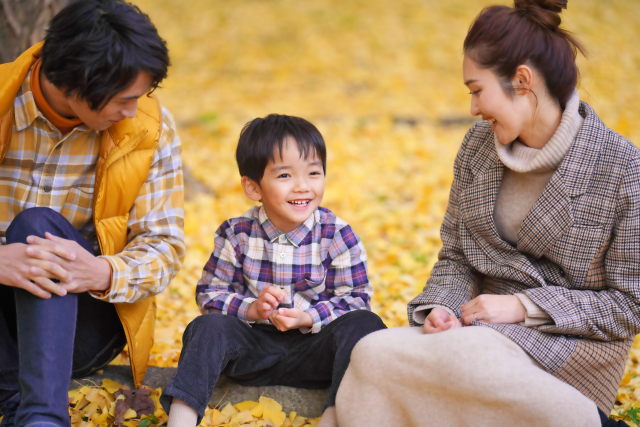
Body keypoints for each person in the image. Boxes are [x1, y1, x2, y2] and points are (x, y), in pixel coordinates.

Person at [336, 1, 638, 426]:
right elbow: (457, 256)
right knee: (370, 350)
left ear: (522, 80)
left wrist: (522, 306)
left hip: (568, 349)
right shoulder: (477, 147)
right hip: (470, 334)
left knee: (468, 358)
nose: (474, 108)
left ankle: (577, 417)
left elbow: (629, 305)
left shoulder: (622, 167)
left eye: (477, 90)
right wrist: (441, 307)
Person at [0, 1, 185, 426]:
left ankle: (41, 417)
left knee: (37, 228)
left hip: (81, 322)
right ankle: (14, 400)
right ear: (72, 83)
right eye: (123, 100)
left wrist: (99, 272)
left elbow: (165, 246)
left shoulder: (149, 130)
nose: (132, 112)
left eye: (142, 96)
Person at [159, 114, 386, 427]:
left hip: (316, 351)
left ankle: (335, 418)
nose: (303, 186)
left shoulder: (337, 234)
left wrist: (310, 317)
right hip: (253, 349)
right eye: (284, 176)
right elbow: (211, 293)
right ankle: (181, 420)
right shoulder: (236, 233)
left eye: (314, 173)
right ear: (253, 188)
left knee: (366, 325)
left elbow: (356, 298)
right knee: (207, 326)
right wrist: (251, 308)